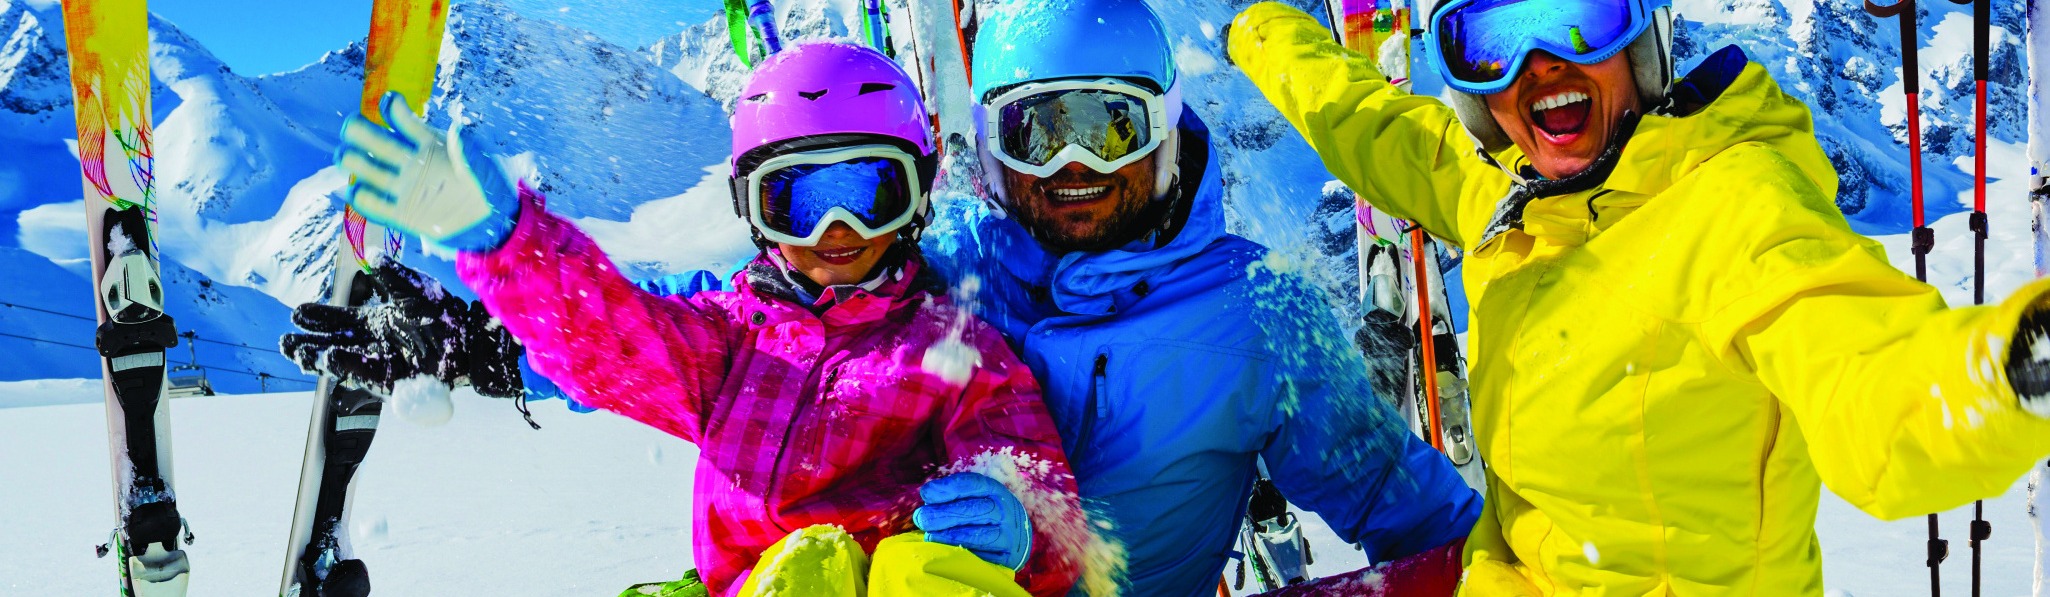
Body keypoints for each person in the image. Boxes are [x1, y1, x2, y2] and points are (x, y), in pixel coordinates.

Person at [1225, 0, 2050, 593]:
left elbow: (1872, 373)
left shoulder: (1730, 204)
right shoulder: (1512, 196)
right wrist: (1260, 28)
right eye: (1494, 41)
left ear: (1642, 41)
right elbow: (1380, 129)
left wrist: (2012, 368)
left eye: (1577, 18)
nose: (1540, 65)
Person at [308, 41, 1107, 597]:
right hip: (766, 585)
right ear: (754, 210)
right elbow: (614, 343)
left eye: (868, 195)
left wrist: (1021, 520)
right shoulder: (733, 338)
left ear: (916, 198)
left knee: (899, 567)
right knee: (808, 566)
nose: (837, 232)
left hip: (904, 582)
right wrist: (510, 243)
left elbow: (1034, 476)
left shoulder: (957, 351)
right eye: (797, 198)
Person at [919, 0, 1483, 595]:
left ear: (1163, 130)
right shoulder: (939, 274)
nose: (1074, 162)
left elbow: (1412, 512)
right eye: (1034, 131)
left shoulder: (1256, 309)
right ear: (990, 144)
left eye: (1113, 126)